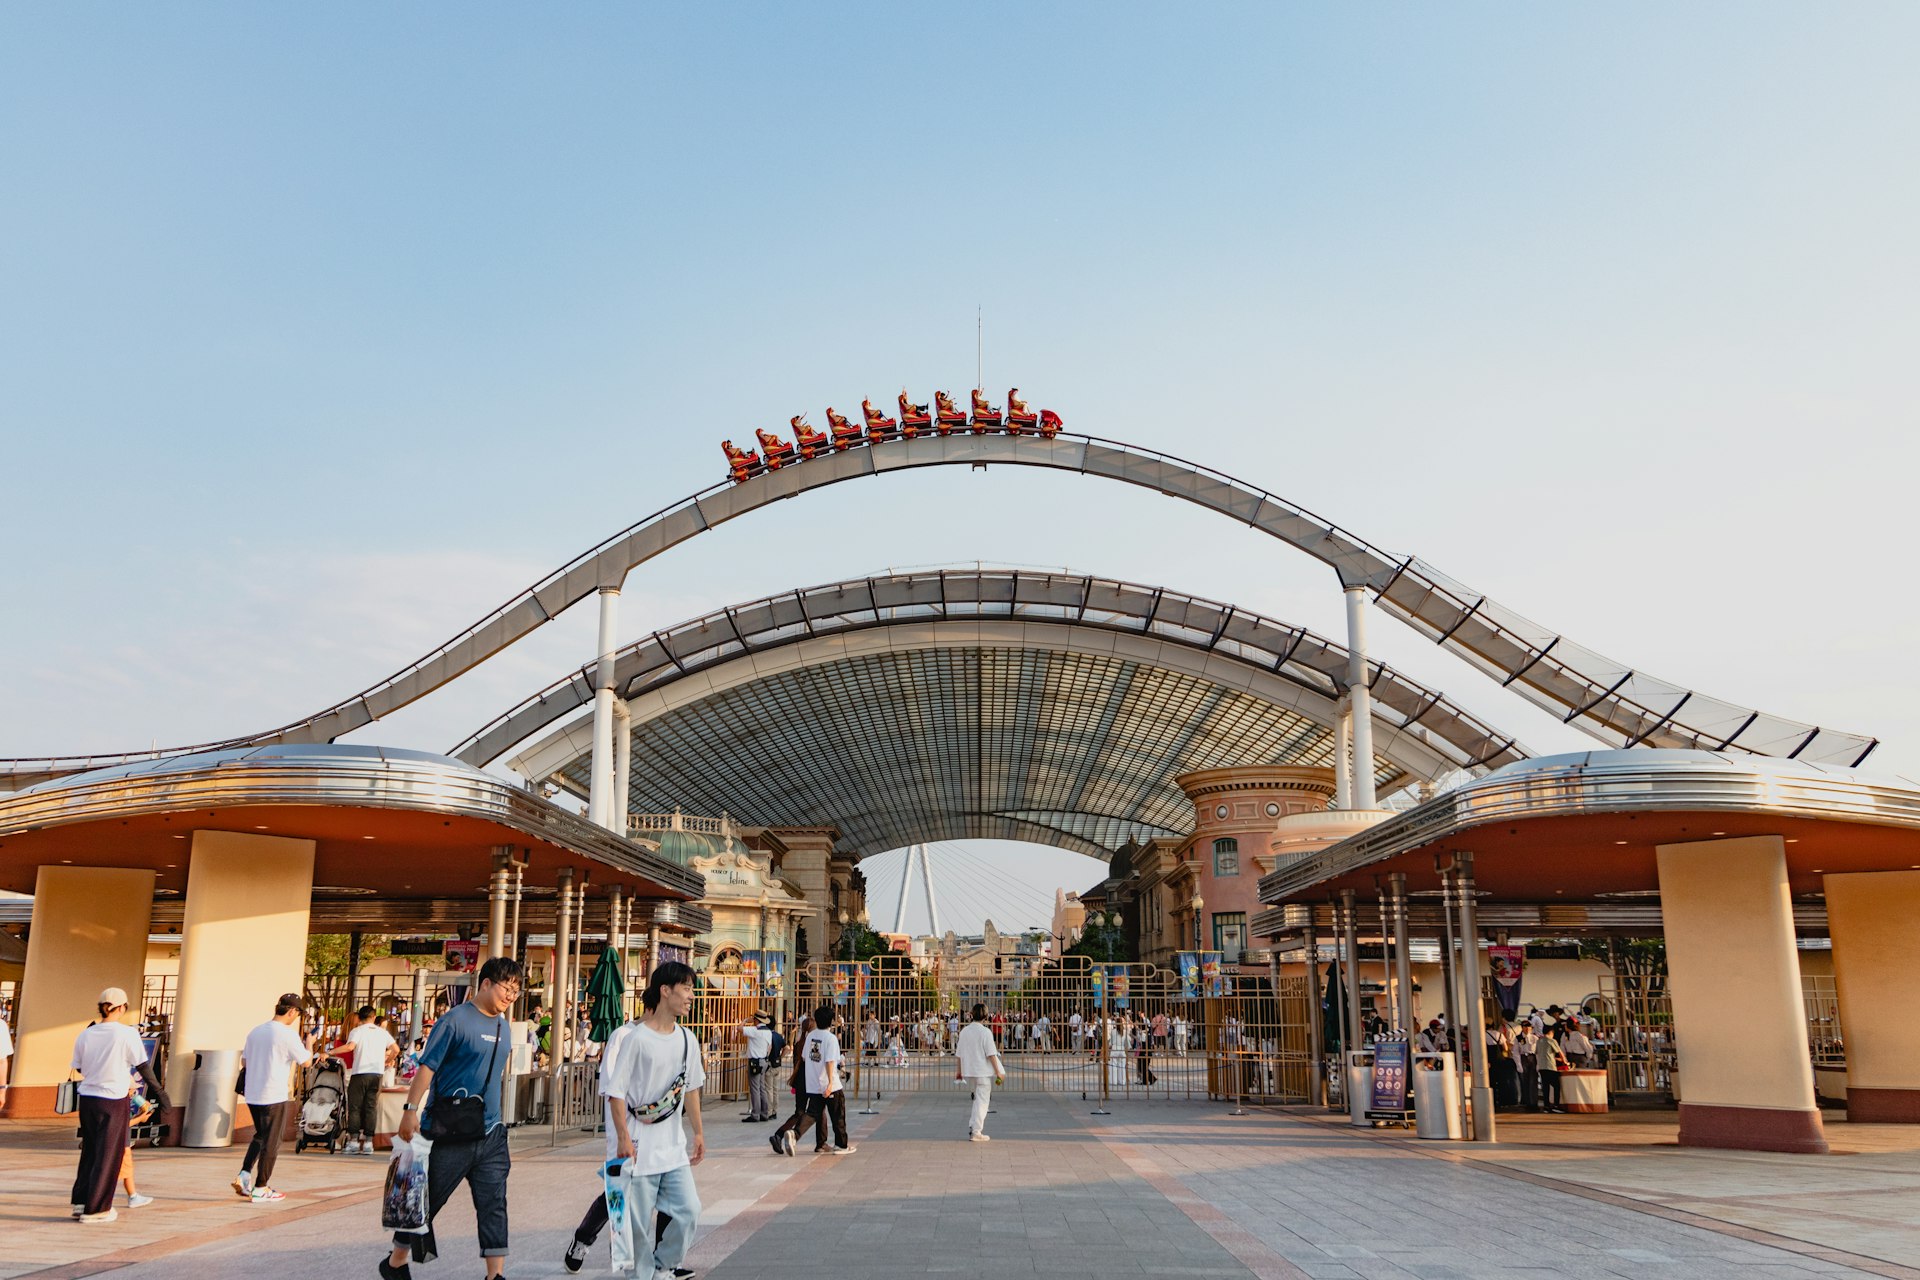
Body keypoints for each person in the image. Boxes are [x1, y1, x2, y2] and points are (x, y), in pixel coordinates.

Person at [380, 956, 523, 1280]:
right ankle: (396, 1262)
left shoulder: (503, 1026)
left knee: (494, 1204)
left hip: (491, 1132)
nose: (511, 996)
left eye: (516, 991)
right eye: (507, 988)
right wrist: (410, 1110)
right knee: (427, 1202)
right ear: (485, 983)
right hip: (449, 1130)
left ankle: (495, 1275)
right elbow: (427, 1068)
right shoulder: (454, 1021)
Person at [565, 962, 705, 1278]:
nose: (691, 996)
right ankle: (590, 1245)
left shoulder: (686, 1039)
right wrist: (621, 1141)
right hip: (633, 1145)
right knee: (627, 1223)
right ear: (663, 992)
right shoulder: (628, 1037)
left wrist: (698, 1133)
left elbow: (692, 1088)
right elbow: (614, 1092)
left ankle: (664, 1264)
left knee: (687, 1210)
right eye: (686, 988)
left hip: (670, 1148)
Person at [70, 987, 158, 1223]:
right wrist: (159, 1091)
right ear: (121, 1008)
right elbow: (142, 1065)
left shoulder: (86, 1033)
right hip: (113, 1098)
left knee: (90, 1150)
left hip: (88, 1098)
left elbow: (79, 1067)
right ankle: (97, 1209)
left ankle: (81, 1201)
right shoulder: (126, 1034)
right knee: (109, 1154)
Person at [234, 992, 314, 1204]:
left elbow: (245, 1062)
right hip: (273, 1094)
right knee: (272, 1141)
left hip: (252, 1094)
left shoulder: (256, 1032)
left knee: (261, 1135)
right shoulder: (287, 1035)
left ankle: (244, 1175)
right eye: (298, 1013)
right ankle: (261, 1187)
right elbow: (306, 1062)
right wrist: (310, 1043)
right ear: (291, 1011)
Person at [338, 1005, 398, 1155]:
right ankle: (369, 1143)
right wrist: (386, 1061)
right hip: (376, 1074)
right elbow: (396, 1049)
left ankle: (353, 1141)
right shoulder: (382, 1033)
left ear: (360, 1018)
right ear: (373, 1016)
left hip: (359, 1073)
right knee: (371, 1107)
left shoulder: (357, 1031)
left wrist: (330, 1052)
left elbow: (350, 1047)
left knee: (355, 1107)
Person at [802, 1004, 854, 1155]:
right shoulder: (830, 1038)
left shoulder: (810, 1036)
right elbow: (830, 1061)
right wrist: (830, 1082)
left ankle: (795, 1134)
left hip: (813, 1084)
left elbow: (806, 1057)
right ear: (830, 1021)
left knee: (813, 1113)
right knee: (838, 1115)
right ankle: (841, 1145)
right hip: (830, 1085)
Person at [954, 1003, 1004, 1142]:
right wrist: (998, 1071)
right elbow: (991, 1054)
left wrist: (959, 1072)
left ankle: (973, 1125)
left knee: (977, 1099)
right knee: (983, 1101)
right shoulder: (985, 1032)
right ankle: (976, 1131)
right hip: (982, 1071)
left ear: (971, 1014)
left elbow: (958, 1054)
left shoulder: (964, 1031)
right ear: (986, 1016)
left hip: (970, 1071)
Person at [769, 1012, 815, 1157]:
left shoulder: (799, 1043)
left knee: (800, 1112)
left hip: (799, 1080)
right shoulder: (811, 1043)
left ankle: (779, 1135)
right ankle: (789, 1135)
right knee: (813, 1112)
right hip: (809, 1081)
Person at [738, 1012, 775, 1122]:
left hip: (755, 1062)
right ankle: (764, 1113)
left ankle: (755, 1114)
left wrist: (745, 1020)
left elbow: (739, 1028)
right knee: (762, 1088)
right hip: (764, 1060)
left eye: (754, 1019)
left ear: (757, 1020)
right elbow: (770, 1046)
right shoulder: (768, 1032)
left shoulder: (755, 1031)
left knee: (755, 1089)